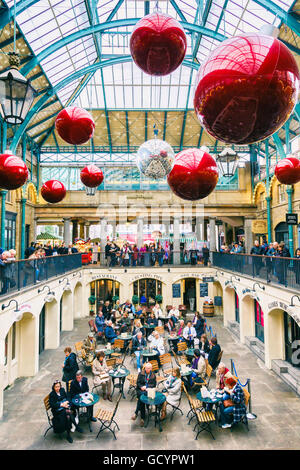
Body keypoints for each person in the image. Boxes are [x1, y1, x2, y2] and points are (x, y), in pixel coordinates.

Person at [131, 362, 156, 426]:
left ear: (151, 369)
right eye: (146, 368)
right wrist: (141, 387)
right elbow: (138, 383)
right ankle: (142, 418)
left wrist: (147, 387)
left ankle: (137, 413)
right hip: (140, 390)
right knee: (141, 397)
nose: (147, 369)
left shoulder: (153, 375)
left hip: (148, 390)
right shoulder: (141, 373)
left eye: (148, 368)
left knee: (141, 399)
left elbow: (154, 384)